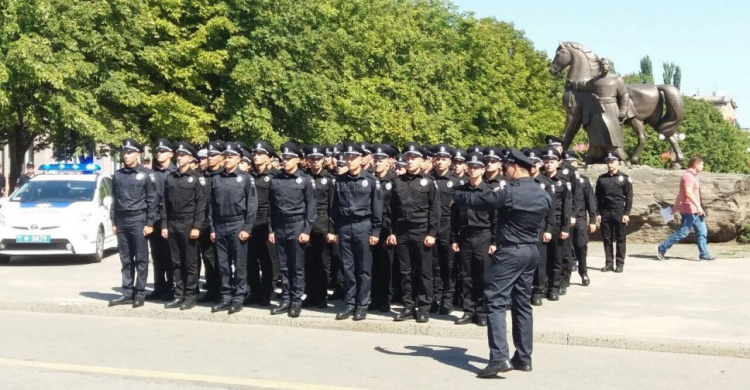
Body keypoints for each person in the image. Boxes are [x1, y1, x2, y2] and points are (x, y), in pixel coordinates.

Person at [453, 148, 551, 377]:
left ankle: (499, 358)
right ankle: (524, 357)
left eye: (506, 167)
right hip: (530, 252)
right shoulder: (542, 193)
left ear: (516, 168)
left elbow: (480, 200)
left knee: (494, 301)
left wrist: (457, 195)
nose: (504, 170)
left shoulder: (510, 192)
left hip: (510, 253)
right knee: (522, 304)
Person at [331, 142, 383, 321]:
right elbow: (335, 208)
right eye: (348, 157)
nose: (350, 160)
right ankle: (350, 303)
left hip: (364, 225)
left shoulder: (370, 181)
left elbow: (377, 208)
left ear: (361, 159)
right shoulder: (340, 180)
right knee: (348, 268)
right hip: (345, 226)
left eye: (353, 158)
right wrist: (335, 229)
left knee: (364, 268)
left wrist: (376, 231)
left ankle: (362, 305)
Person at [389, 142, 440, 323]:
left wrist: (432, 233)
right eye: (408, 158)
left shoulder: (428, 182)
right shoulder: (397, 182)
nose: (410, 162)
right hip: (402, 232)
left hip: (421, 232)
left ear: (421, 161)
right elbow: (391, 210)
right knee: (405, 272)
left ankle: (424, 307)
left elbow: (435, 210)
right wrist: (391, 231)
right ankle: (408, 306)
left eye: (414, 158)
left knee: (424, 272)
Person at [208, 142, 257, 314]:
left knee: (240, 264)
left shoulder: (245, 178)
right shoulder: (216, 178)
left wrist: (247, 228)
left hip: (238, 224)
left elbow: (252, 205)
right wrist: (212, 228)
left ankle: (238, 297)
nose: (228, 160)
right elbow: (211, 205)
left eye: (231, 157)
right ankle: (226, 296)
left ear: (238, 159)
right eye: (226, 157)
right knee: (223, 265)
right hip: (220, 224)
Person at [268, 143, 316, 318]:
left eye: (289, 159)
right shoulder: (276, 180)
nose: (285, 161)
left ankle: (296, 301)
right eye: (283, 159)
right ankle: (286, 299)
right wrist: (271, 229)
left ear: (297, 159)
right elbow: (271, 208)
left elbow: (311, 206)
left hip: (297, 225)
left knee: (296, 266)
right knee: (284, 266)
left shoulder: (304, 180)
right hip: (280, 225)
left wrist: (306, 229)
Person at [108, 139, 158, 308]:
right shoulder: (118, 175)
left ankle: (140, 292)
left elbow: (152, 200)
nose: (126, 155)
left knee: (141, 258)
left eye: (130, 152)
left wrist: (149, 222)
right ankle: (127, 292)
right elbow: (114, 200)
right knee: (126, 258)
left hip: (139, 219)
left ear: (138, 154)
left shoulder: (146, 174)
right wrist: (114, 221)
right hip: (122, 219)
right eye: (125, 152)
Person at [161, 142, 207, 310]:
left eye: (183, 155)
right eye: (178, 155)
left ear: (190, 158)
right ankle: (178, 295)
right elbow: (164, 204)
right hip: (173, 222)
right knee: (176, 261)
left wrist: (197, 226)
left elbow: (201, 204)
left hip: (188, 223)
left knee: (190, 262)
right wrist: (165, 224)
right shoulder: (170, 178)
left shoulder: (196, 178)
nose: (180, 158)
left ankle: (190, 295)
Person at [452, 151, 495, 326]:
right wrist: (454, 239)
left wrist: (494, 242)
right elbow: (454, 217)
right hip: (465, 236)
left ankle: (482, 311)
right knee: (466, 275)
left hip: (483, 235)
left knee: (483, 275)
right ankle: (468, 311)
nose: (473, 170)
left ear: (483, 169)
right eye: (470, 167)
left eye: (476, 167)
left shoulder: (489, 192)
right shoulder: (460, 191)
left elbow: (496, 219)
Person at [570, 58, 632, 162]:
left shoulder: (617, 79)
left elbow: (624, 95)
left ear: (610, 66)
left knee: (613, 133)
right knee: (596, 133)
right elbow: (584, 85)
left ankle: (617, 156)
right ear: (599, 66)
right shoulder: (595, 81)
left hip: (611, 109)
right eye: (602, 64)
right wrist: (573, 83)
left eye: (606, 64)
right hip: (597, 110)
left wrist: (623, 110)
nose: (604, 66)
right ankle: (596, 154)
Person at [657, 156, 716, 261]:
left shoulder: (694, 176)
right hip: (690, 209)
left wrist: (675, 207)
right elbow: (687, 193)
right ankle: (662, 248)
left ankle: (704, 254)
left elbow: (681, 193)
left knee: (702, 232)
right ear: (695, 164)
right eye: (702, 164)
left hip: (696, 210)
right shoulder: (688, 176)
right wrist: (698, 206)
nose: (703, 166)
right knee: (683, 232)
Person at [245, 141, 280, 306]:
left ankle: (267, 292)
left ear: (270, 157)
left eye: (260, 154)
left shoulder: (275, 176)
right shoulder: (248, 175)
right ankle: (254, 292)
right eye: (255, 154)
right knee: (250, 260)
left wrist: (273, 227)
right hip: (250, 222)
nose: (256, 156)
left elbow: (276, 203)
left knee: (267, 260)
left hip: (266, 221)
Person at [302, 144, 335, 309]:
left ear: (323, 160)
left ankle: (322, 296)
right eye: (312, 158)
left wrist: (331, 230)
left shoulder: (329, 179)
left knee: (322, 261)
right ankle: (310, 294)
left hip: (322, 220)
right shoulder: (303, 177)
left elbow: (332, 206)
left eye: (318, 158)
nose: (315, 161)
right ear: (307, 160)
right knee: (308, 261)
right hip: (305, 221)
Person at [430, 143, 461, 315]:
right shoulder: (428, 178)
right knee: (434, 265)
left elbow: (458, 210)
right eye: (438, 159)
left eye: (444, 159)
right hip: (432, 227)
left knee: (449, 266)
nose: (440, 162)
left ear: (449, 161)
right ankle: (436, 296)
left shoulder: (456, 182)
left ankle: (448, 299)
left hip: (448, 228)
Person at [146, 139, 177, 301]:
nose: (159, 154)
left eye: (162, 151)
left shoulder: (175, 172)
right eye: (157, 151)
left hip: (170, 221)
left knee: (170, 256)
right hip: (154, 220)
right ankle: (159, 286)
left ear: (171, 154)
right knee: (157, 256)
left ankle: (171, 288)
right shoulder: (151, 173)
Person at [541, 148, 572, 300]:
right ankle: (544, 285)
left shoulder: (563, 183)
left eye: (552, 162)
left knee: (557, 257)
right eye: (546, 161)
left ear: (558, 162)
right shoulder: (539, 180)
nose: (548, 165)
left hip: (558, 223)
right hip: (542, 224)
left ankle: (555, 286)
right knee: (544, 257)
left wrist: (566, 227)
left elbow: (567, 206)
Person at [196, 140, 225, 303]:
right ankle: (212, 288)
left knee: (222, 259)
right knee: (208, 257)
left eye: (213, 155)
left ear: (221, 157)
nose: (210, 158)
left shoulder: (223, 175)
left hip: (221, 222)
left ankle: (223, 290)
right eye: (209, 155)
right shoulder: (204, 176)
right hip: (205, 221)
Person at [563, 150, 597, 286]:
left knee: (581, 245)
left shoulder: (584, 180)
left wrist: (593, 219)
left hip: (580, 217)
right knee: (565, 249)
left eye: (571, 163)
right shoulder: (562, 180)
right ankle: (565, 278)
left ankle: (583, 272)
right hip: (565, 218)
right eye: (567, 163)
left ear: (576, 163)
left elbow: (591, 200)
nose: (569, 166)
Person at [595, 152, 633, 273]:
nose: (610, 164)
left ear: (617, 162)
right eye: (608, 161)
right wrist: (598, 213)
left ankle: (620, 263)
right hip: (605, 211)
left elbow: (629, 197)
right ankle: (609, 263)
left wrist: (626, 213)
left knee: (621, 238)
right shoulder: (602, 179)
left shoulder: (624, 178)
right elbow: (597, 197)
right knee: (607, 238)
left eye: (612, 161)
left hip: (619, 211)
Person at [370, 144, 397, 312]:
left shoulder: (394, 180)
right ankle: (375, 297)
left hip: (387, 228)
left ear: (389, 162)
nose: (378, 163)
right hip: (371, 227)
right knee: (373, 265)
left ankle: (386, 299)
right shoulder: (369, 179)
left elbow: (396, 208)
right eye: (376, 159)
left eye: (381, 160)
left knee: (387, 266)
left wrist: (393, 231)